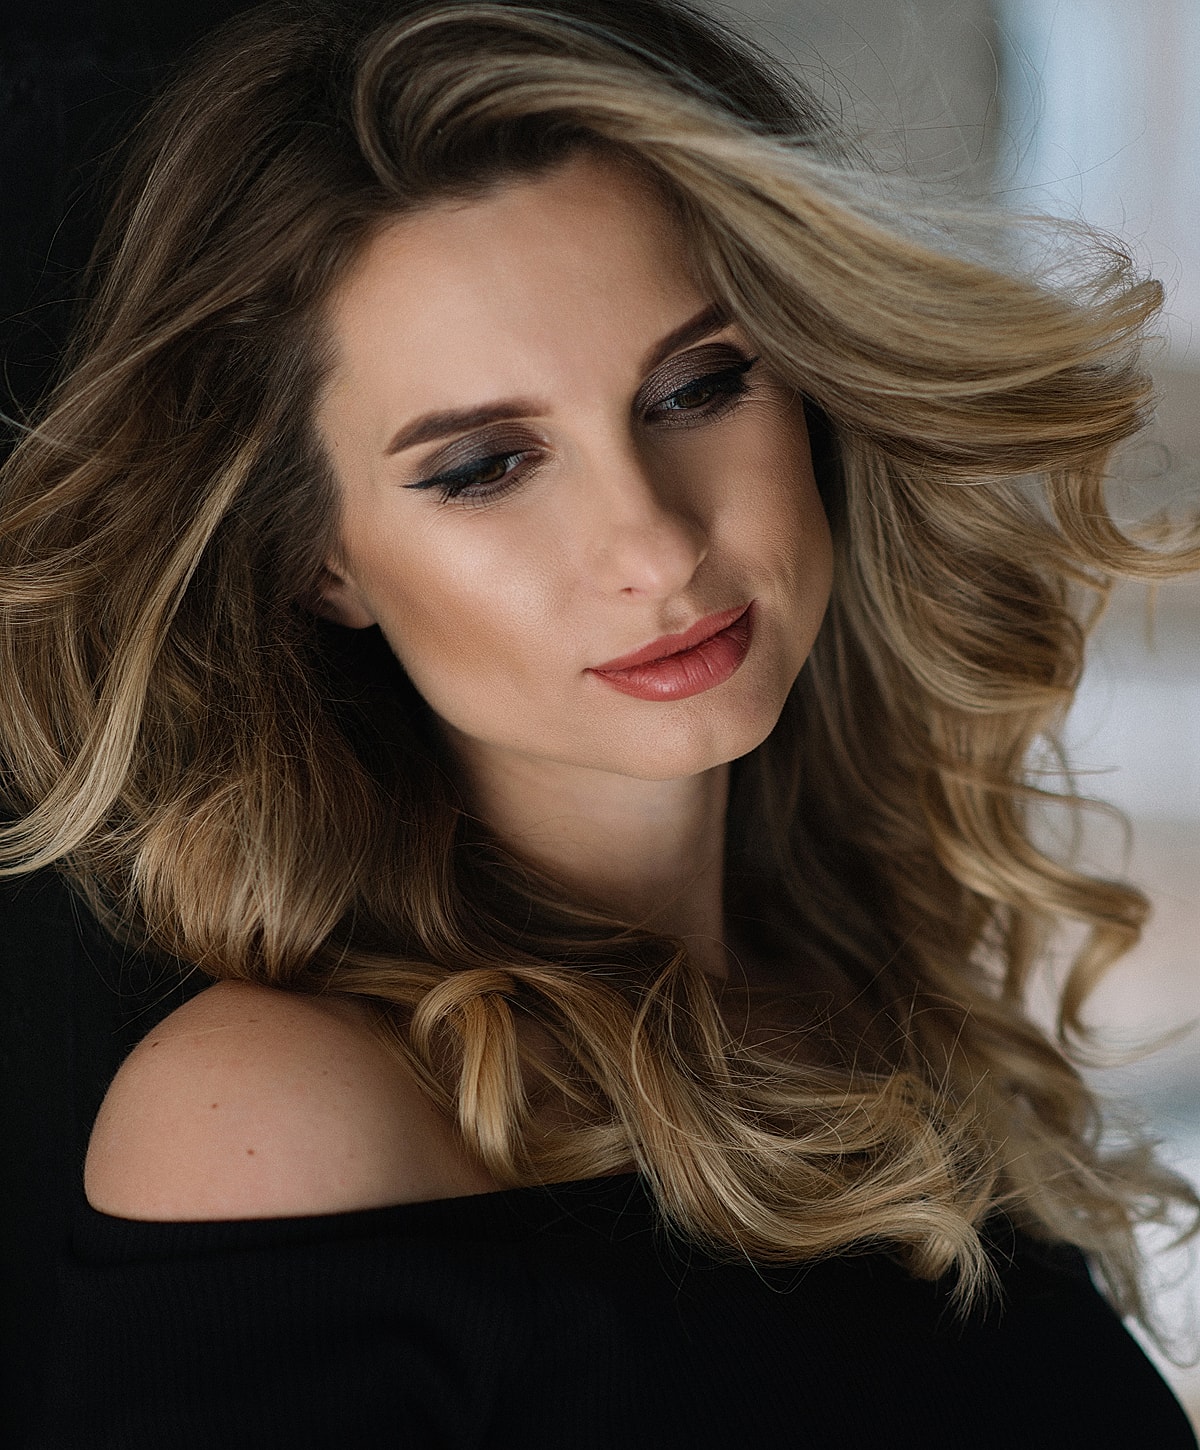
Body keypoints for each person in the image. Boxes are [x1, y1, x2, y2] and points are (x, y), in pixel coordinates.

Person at [1, 0, 1197, 1444]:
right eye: (487, 464)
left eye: (697, 386)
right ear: (320, 560)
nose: (655, 544)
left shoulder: (872, 998)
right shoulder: (278, 1118)